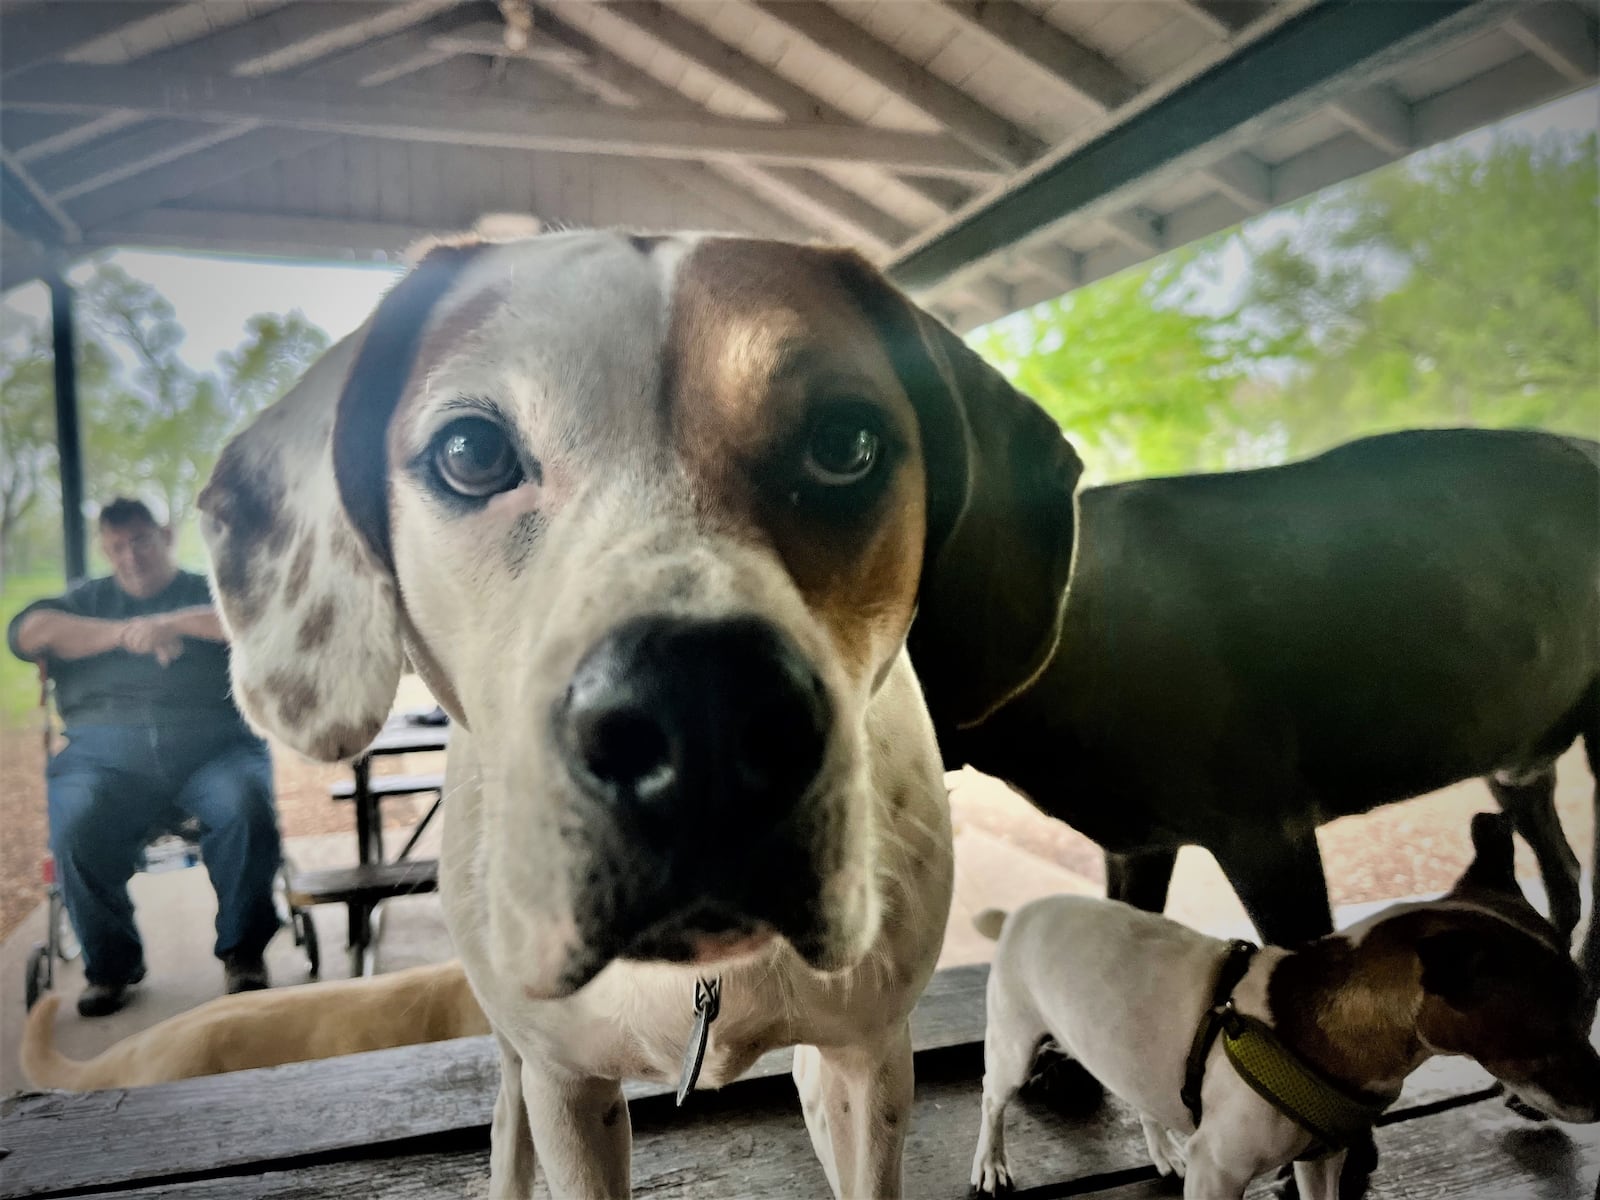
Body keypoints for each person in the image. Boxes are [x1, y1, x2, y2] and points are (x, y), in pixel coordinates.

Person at [9, 498, 282, 1017]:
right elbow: (27, 633)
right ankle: (110, 967)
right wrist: (126, 635)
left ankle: (243, 954)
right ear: (104, 550)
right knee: (75, 822)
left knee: (247, 804)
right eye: (116, 546)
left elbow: (255, 616)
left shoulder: (211, 590)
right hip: (104, 760)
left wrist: (171, 624)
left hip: (214, 749)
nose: (130, 555)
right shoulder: (83, 602)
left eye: (140, 540)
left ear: (165, 535)